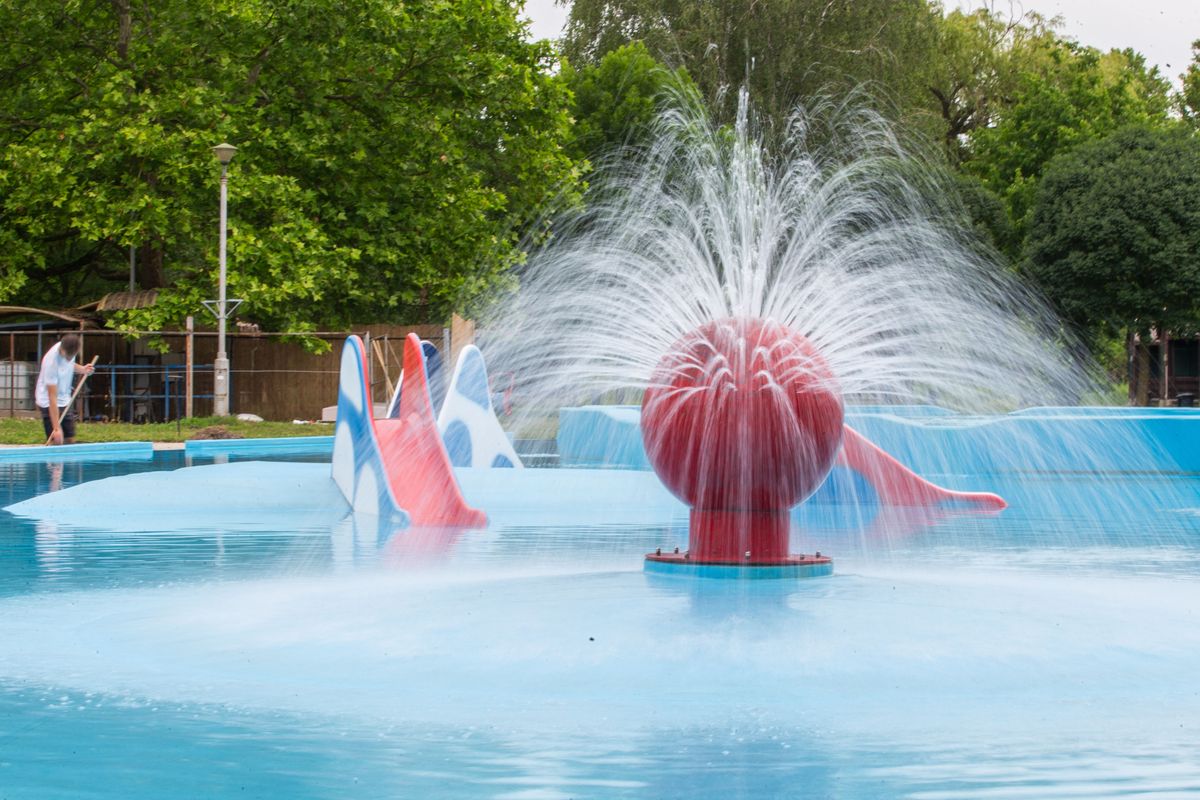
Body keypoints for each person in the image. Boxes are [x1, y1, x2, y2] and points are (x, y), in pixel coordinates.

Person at [34, 334, 94, 445]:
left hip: (64, 399)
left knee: (70, 439)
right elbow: (52, 398)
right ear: (61, 349)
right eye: (68, 356)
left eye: (72, 356)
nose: (70, 359)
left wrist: (82, 369)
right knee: (56, 441)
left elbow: (69, 363)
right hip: (48, 402)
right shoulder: (51, 362)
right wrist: (56, 429)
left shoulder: (71, 348)